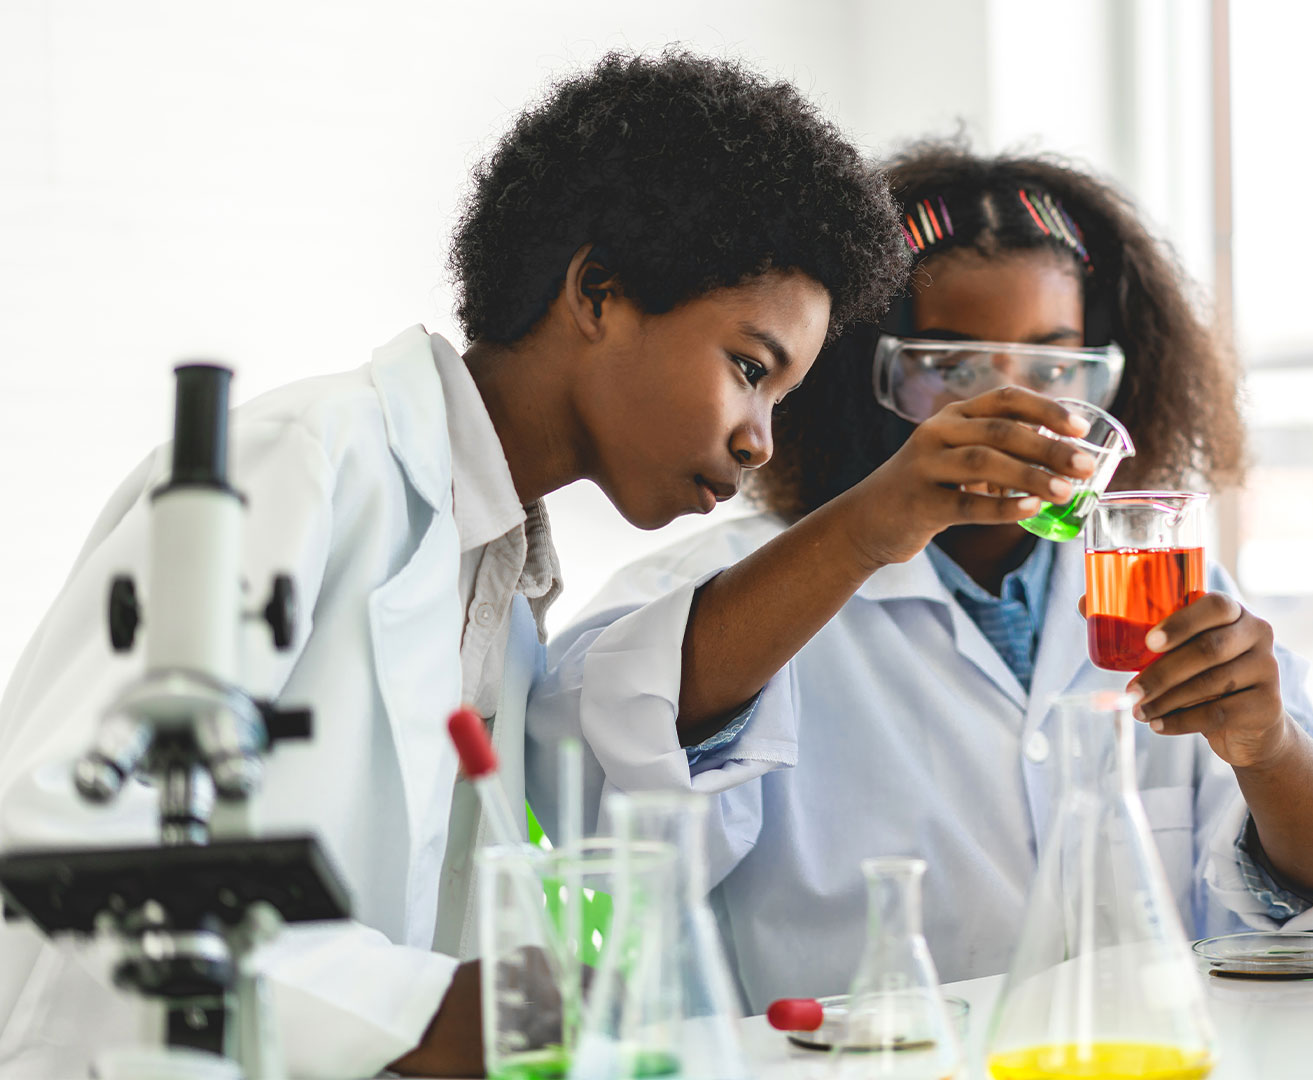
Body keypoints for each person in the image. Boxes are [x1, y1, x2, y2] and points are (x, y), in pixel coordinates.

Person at [0, 51, 905, 1078]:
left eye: (779, 401)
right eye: (750, 370)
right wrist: (422, 1012)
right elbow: (67, 837)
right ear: (597, 293)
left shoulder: (498, 576)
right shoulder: (305, 462)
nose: (760, 442)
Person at [530, 144, 1313, 1010]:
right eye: (953, 368)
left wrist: (1269, 749)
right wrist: (869, 528)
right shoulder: (737, 583)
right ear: (864, 375)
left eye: (1057, 369)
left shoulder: (1158, 577)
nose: (1018, 410)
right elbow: (583, 751)